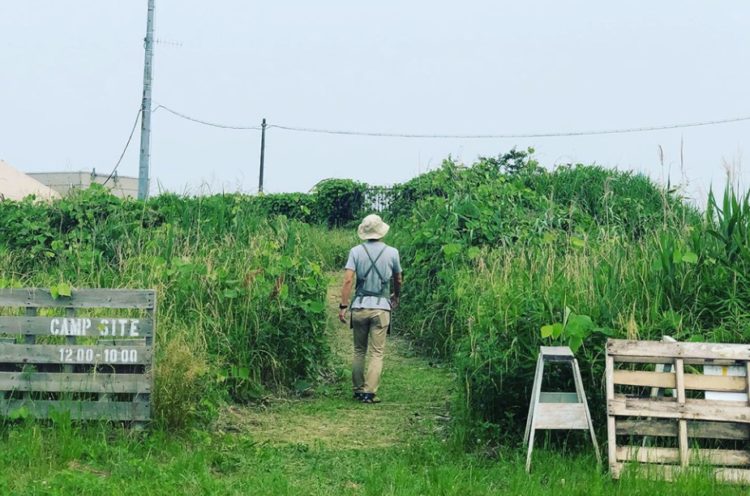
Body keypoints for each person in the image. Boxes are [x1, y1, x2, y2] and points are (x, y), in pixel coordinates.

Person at [338, 214, 402, 404]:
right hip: (381, 308)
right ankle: (369, 392)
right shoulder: (392, 252)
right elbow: (398, 279)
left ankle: (358, 389)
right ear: (381, 231)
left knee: (359, 350)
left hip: (359, 307)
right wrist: (396, 296)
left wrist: (343, 306)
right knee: (376, 352)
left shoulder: (356, 251)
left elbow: (348, 280)